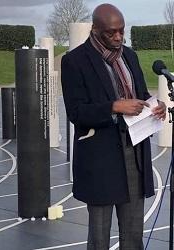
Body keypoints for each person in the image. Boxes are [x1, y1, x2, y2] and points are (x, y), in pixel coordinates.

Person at [61, 4, 167, 250]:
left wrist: (156, 105)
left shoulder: (129, 55)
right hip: (100, 160)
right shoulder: (74, 61)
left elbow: (140, 95)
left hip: (135, 154)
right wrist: (114, 106)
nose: (118, 37)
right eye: (111, 33)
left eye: (122, 31)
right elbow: (76, 112)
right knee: (99, 237)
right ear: (95, 29)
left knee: (133, 235)